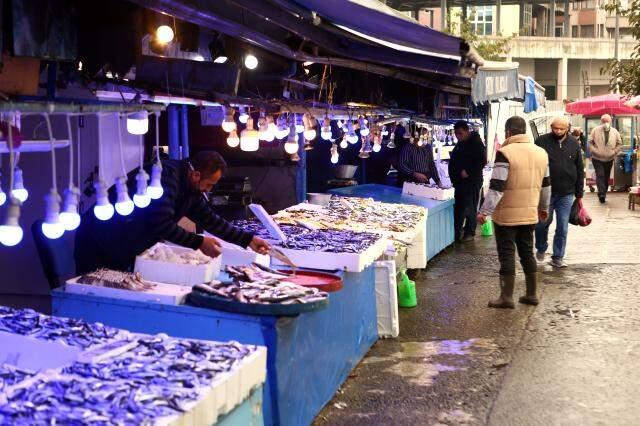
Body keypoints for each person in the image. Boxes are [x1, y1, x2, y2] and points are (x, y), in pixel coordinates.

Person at [75, 151, 271, 274]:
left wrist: (247, 240)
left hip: (121, 247)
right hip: (97, 243)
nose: (209, 190)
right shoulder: (165, 178)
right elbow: (161, 225)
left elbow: (210, 219)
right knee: (92, 295)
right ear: (196, 175)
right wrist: (199, 242)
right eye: (209, 185)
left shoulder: (190, 188)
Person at [478, 116, 551, 309]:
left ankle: (506, 297)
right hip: (529, 214)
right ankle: (531, 294)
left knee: (507, 254)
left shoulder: (505, 153)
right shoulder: (541, 153)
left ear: (508, 132)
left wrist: (485, 211)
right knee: (527, 252)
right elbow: (546, 186)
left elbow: (496, 187)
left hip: (506, 217)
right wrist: (543, 208)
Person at [534, 116, 584, 268]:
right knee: (542, 224)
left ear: (567, 129)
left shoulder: (574, 143)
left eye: (561, 129)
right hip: (546, 192)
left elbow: (579, 168)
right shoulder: (541, 141)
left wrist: (579, 192)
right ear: (551, 128)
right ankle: (541, 247)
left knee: (563, 226)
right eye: (556, 128)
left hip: (567, 193)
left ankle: (558, 256)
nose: (558, 131)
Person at [449, 121, 487, 243]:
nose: (458, 136)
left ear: (467, 131)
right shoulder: (460, 144)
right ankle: (457, 232)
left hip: (472, 182)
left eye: (460, 133)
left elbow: (482, 161)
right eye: (456, 134)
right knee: (459, 207)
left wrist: (468, 171)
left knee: (470, 207)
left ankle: (469, 232)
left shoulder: (476, 143)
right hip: (459, 182)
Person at [588, 114, 622, 203]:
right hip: (597, 158)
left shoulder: (615, 131)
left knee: (606, 176)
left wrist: (614, 152)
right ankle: (602, 193)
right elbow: (590, 142)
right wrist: (594, 151)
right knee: (600, 175)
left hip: (609, 158)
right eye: (603, 121)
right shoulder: (595, 130)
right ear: (601, 121)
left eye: (607, 121)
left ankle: (603, 192)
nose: (605, 123)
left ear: (610, 121)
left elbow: (619, 143)